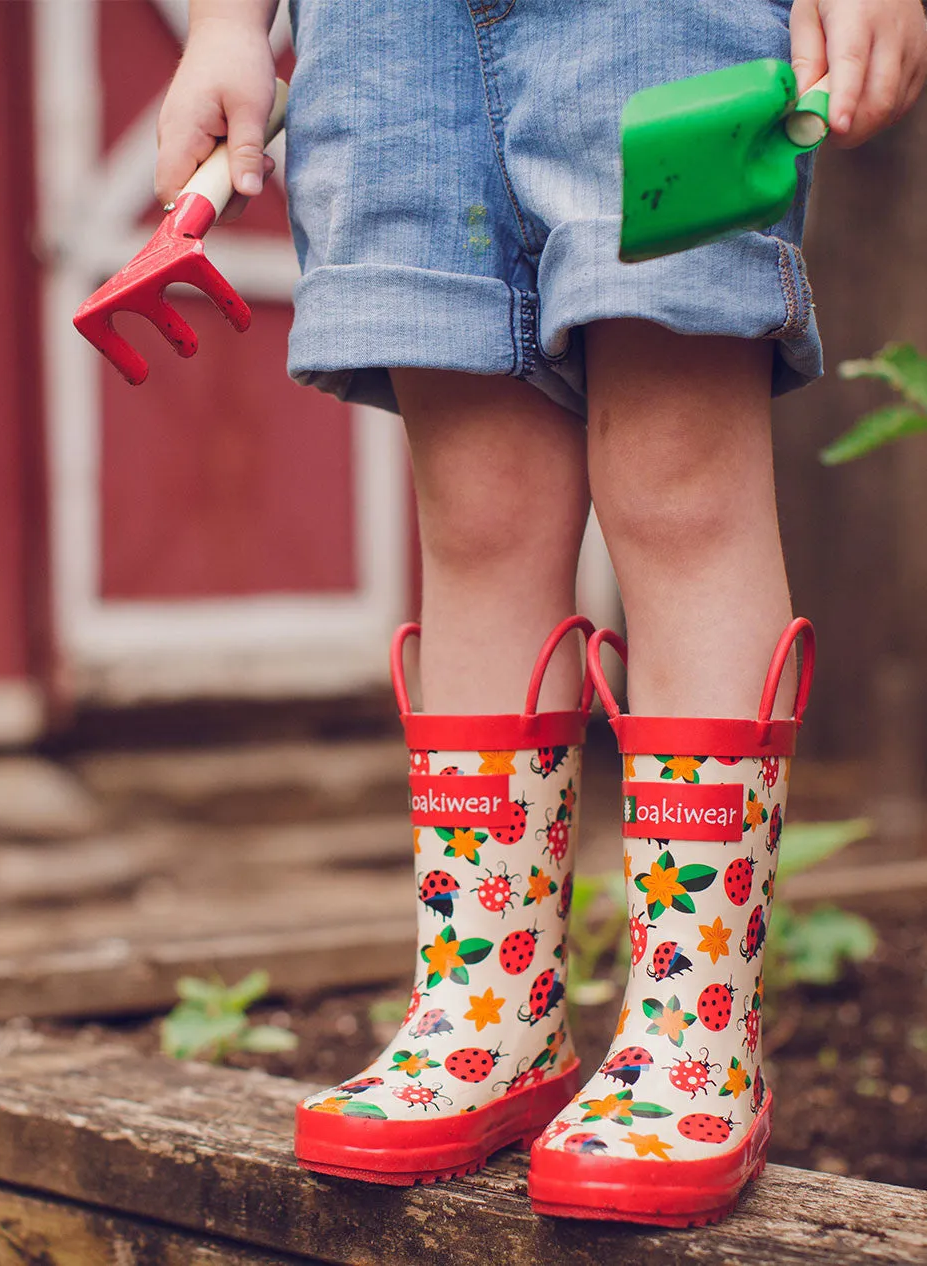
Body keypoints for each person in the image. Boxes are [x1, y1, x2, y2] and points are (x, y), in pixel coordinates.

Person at [156, 0, 927, 1225]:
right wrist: (225, 24)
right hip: (383, 38)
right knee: (478, 513)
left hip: (660, 24)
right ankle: (487, 1017)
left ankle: (692, 1025)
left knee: (676, 485)